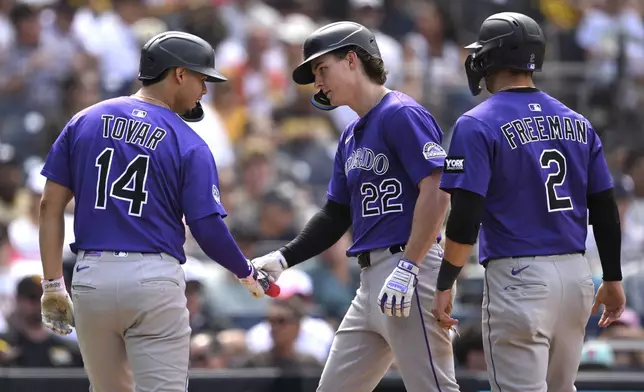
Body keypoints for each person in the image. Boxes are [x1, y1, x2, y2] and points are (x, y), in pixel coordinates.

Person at [37, 31, 277, 392]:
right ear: (179, 73)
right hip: (152, 280)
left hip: (91, 278)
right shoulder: (188, 141)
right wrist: (246, 271)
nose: (205, 90)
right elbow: (207, 229)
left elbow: (49, 206)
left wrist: (53, 283)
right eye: (201, 78)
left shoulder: (85, 120)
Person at [252, 21, 460, 392]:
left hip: (410, 270)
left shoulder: (400, 113)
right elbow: (336, 214)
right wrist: (283, 258)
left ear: (351, 59)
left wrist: (410, 265)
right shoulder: (351, 133)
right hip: (371, 281)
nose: (317, 81)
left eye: (322, 68)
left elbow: (438, 189)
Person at [431, 12, 626, 392]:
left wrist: (445, 282)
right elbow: (604, 208)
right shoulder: (577, 121)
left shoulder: (476, 122)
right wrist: (613, 278)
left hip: (519, 277)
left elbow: (465, 217)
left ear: (490, 57)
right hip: (576, 277)